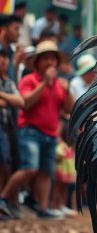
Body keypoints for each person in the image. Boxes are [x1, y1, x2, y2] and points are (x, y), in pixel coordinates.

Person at [0, 41, 74, 219]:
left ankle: (42, 209)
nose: (50, 62)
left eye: (53, 59)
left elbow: (69, 110)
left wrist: (68, 90)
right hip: (30, 131)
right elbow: (25, 103)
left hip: (50, 134)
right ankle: (3, 198)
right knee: (30, 168)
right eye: (46, 58)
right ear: (38, 61)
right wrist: (44, 83)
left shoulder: (59, 84)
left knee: (46, 173)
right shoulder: (29, 80)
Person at [0, 48, 24, 192]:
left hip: (7, 128)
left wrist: (2, 95)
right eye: (0, 57)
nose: (3, 60)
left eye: (5, 57)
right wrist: (9, 100)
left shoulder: (8, 82)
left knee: (5, 163)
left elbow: (19, 101)